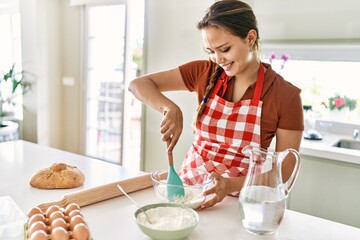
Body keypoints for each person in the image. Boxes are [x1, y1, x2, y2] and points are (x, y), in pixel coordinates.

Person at [128, 0, 304, 209]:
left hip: (240, 204)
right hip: (186, 196)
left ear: (250, 38)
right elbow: (138, 84)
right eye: (210, 51)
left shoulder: (286, 96)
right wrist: (170, 108)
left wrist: (229, 185)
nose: (218, 59)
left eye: (225, 49)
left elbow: (284, 173)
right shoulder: (205, 72)